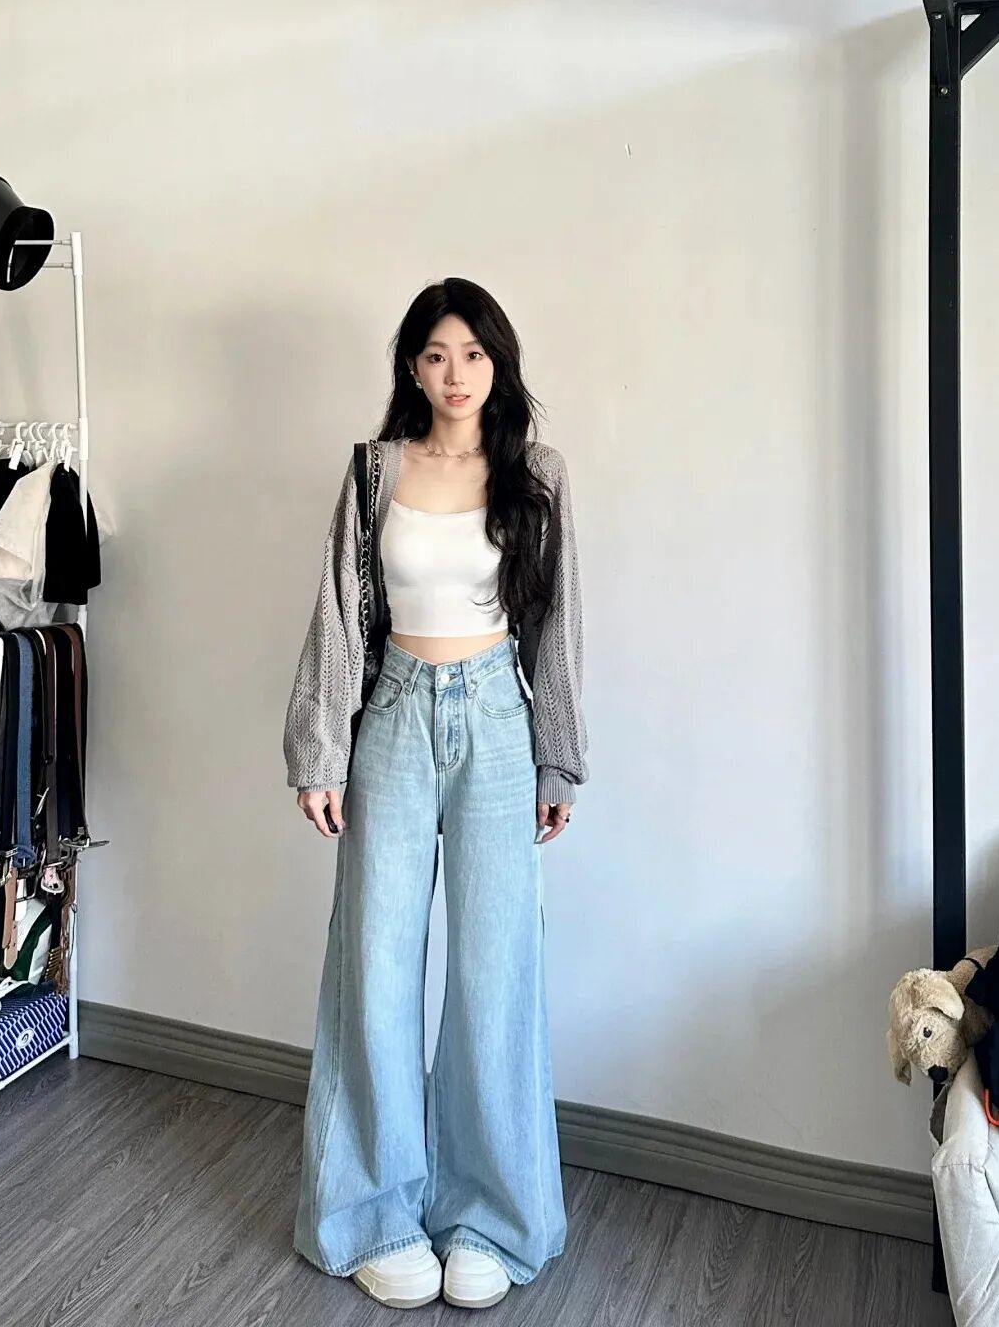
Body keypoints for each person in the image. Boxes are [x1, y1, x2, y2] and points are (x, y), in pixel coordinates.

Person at [282, 277, 589, 1310]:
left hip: (498, 722)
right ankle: (371, 1212)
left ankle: (490, 1216)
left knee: (495, 974)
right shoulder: (375, 471)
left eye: (473, 354)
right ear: (411, 368)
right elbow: (337, 615)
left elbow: (558, 626)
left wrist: (557, 758)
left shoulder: (536, 474)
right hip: (395, 718)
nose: (456, 374)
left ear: (498, 364)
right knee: (374, 968)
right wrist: (320, 752)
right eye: (435, 355)